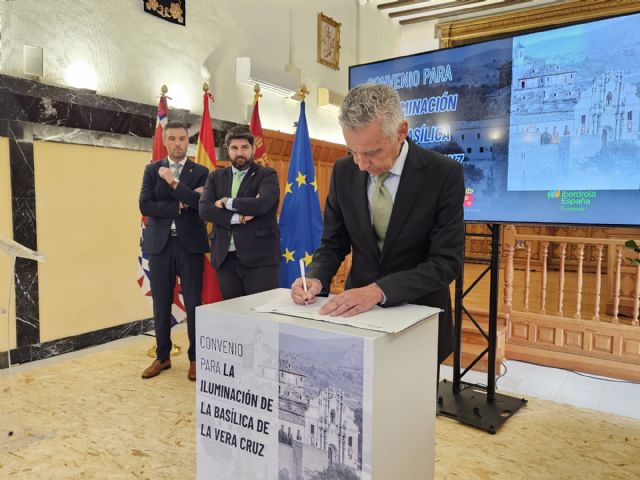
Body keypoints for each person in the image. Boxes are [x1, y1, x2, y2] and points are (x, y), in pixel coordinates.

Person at [290, 83, 465, 364]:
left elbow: (446, 263)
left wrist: (378, 291)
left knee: (410, 406)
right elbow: (332, 244)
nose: (360, 164)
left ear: (401, 132)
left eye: (371, 153)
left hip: (418, 316)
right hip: (358, 318)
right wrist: (315, 276)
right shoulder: (343, 172)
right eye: (353, 151)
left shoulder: (444, 174)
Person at [139, 122, 209, 381]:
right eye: (173, 138)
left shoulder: (201, 171)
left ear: (187, 142)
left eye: (182, 138)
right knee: (160, 303)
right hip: (160, 245)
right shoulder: (151, 169)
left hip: (190, 246)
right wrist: (180, 204)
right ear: (165, 141)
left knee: (193, 304)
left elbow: (200, 204)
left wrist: (174, 185)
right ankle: (163, 356)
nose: (178, 143)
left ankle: (195, 359)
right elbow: (145, 205)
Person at [199, 126, 280, 299]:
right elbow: (205, 210)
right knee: (234, 316)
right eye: (234, 148)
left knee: (261, 315)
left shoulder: (267, 175)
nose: (240, 153)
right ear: (227, 150)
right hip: (225, 259)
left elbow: (262, 204)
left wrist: (226, 202)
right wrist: (238, 217)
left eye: (245, 147)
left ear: (253, 149)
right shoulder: (215, 176)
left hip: (260, 259)